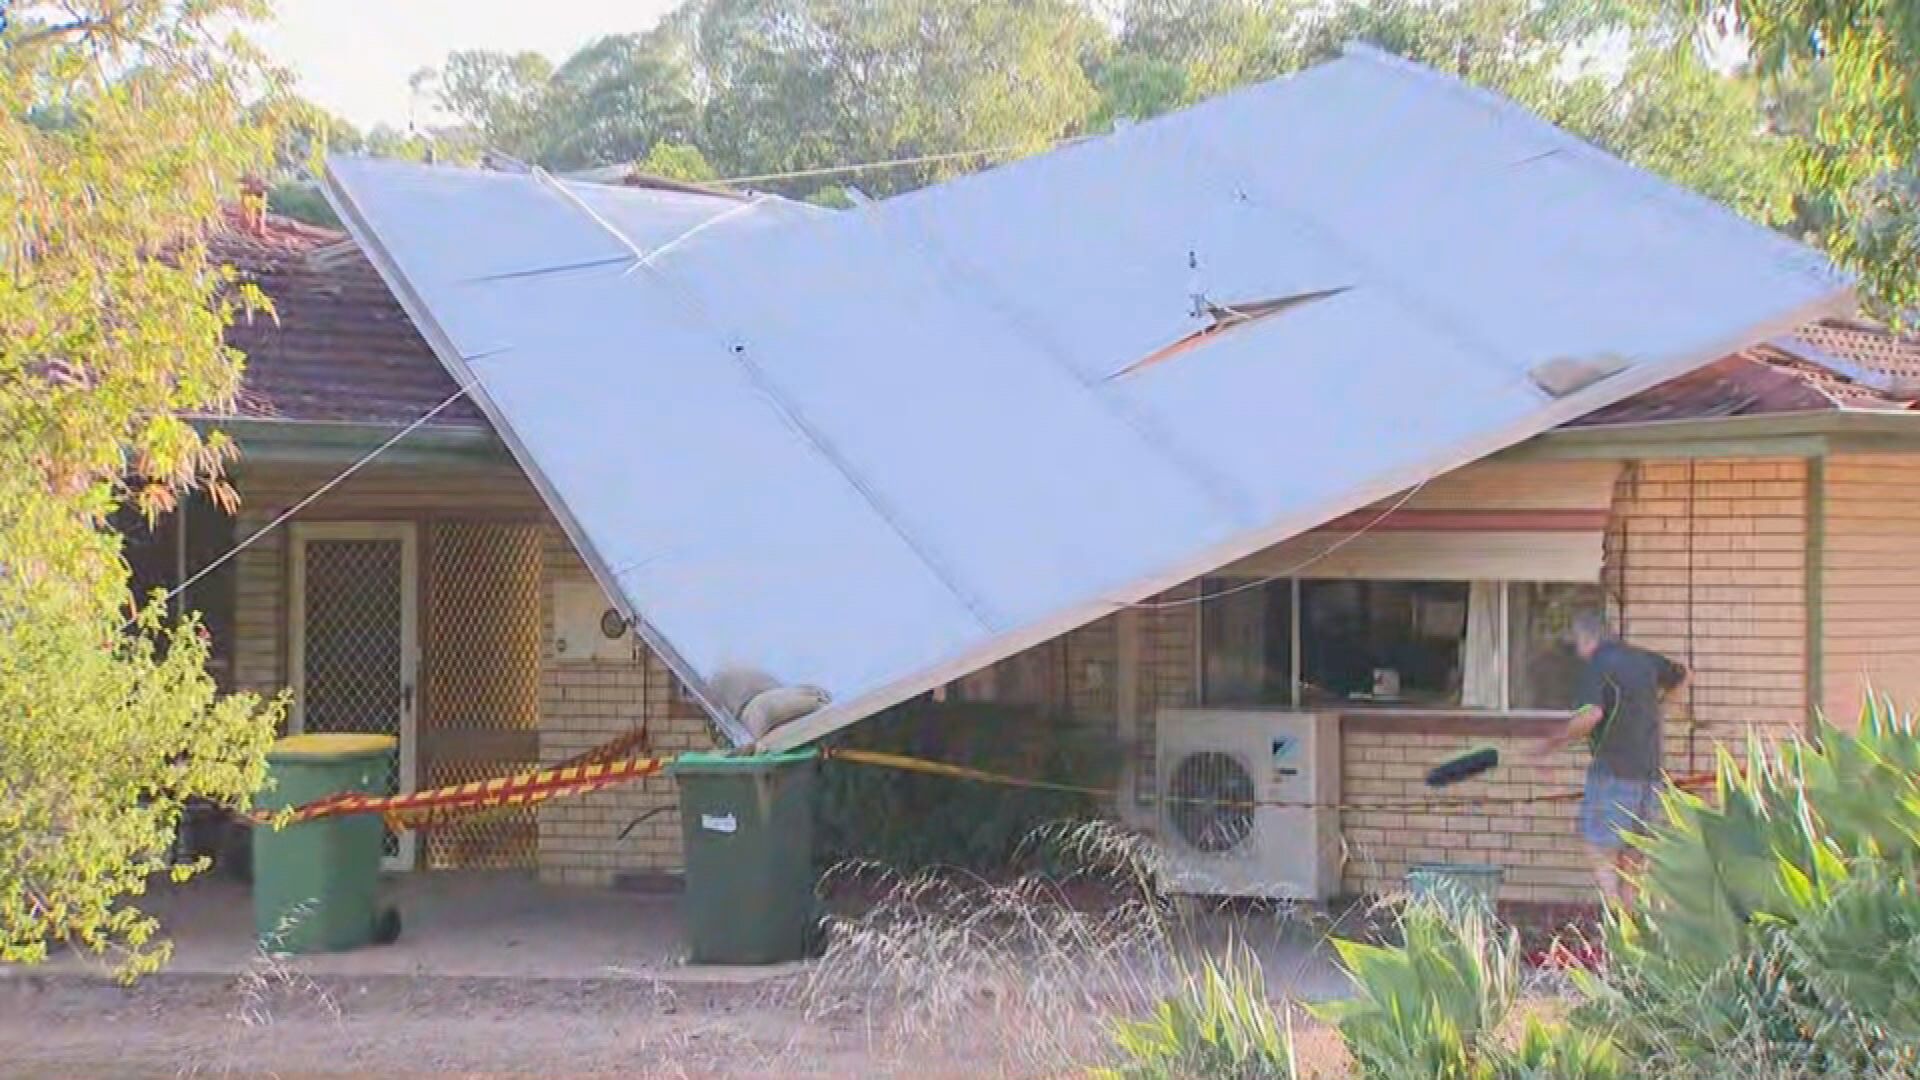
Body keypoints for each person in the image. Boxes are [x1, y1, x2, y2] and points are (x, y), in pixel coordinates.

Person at [1532, 612, 1686, 903]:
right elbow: (1681, 674)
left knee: (1599, 847)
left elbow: (1591, 715)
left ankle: (1615, 915)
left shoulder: (1597, 665)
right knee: (1635, 853)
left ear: (1584, 639)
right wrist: (1664, 708)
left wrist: (1553, 742)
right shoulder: (1644, 660)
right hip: (1650, 774)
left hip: (1613, 772)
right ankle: (1632, 927)